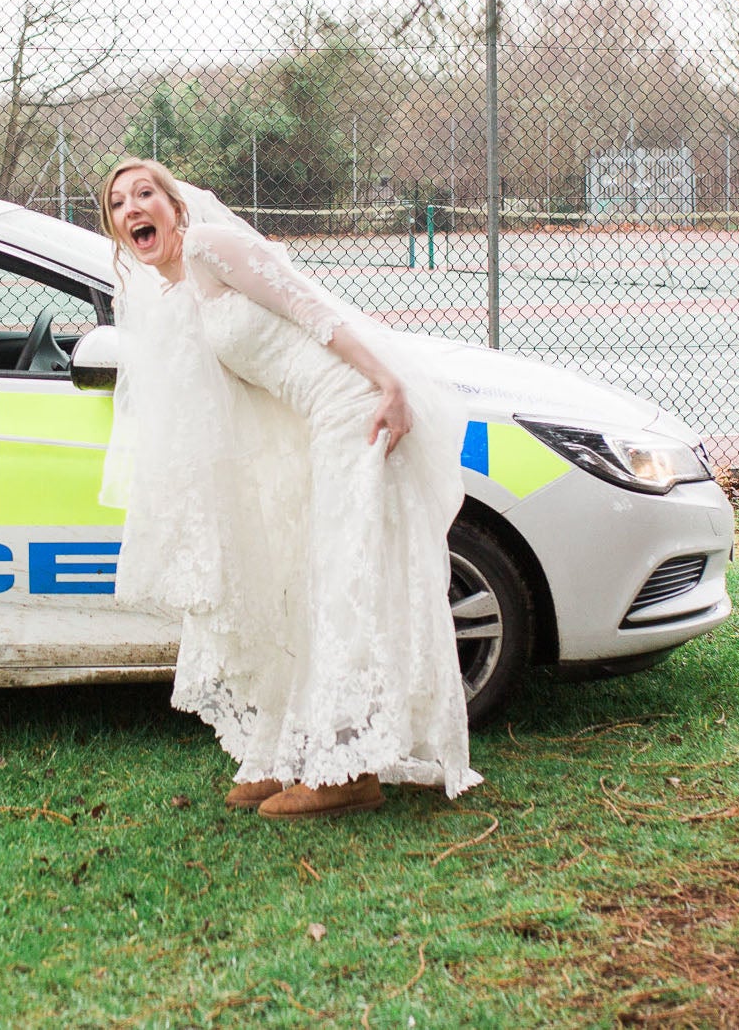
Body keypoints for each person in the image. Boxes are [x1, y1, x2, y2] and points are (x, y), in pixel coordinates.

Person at [97, 156, 479, 819]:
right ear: (115, 229)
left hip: (354, 407)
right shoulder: (177, 293)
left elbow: (312, 309)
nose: (134, 207)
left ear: (174, 203)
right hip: (321, 425)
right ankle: (286, 754)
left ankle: (346, 772)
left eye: (145, 193)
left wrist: (389, 384)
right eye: (118, 203)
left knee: (340, 587)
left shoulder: (213, 246)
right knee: (304, 585)